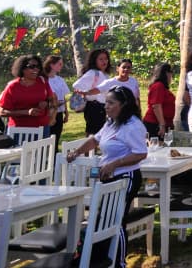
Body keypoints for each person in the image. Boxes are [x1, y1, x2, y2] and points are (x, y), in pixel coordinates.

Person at [66, 86, 147, 268]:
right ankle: (100, 258)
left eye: (111, 103)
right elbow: (95, 139)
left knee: (117, 220)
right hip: (109, 178)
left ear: (123, 105)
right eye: (106, 102)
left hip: (126, 177)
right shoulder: (112, 122)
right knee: (105, 219)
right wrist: (77, 152)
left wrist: (115, 164)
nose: (106, 106)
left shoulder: (133, 126)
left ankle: (120, 263)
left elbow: (141, 153)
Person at [0, 54, 54, 140]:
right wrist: (26, 112)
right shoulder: (12, 86)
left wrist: (46, 103)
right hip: (18, 130)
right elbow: (2, 112)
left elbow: (52, 100)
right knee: (17, 150)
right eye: (32, 66)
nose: (36, 69)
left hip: (42, 128)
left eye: (38, 66)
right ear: (22, 68)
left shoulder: (43, 82)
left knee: (41, 149)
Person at [72, 48, 112, 135]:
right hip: (94, 107)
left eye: (106, 59)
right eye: (101, 59)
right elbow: (77, 85)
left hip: (104, 107)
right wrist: (88, 94)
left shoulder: (105, 75)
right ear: (95, 60)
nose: (104, 61)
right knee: (93, 134)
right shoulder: (93, 73)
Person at [143, 62, 176, 140]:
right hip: (155, 124)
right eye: (170, 72)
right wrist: (162, 124)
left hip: (163, 123)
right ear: (166, 73)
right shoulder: (158, 86)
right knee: (156, 145)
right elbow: (156, 105)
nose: (171, 75)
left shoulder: (162, 87)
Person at [44, 55, 69, 150]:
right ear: (51, 65)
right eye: (59, 64)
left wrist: (66, 113)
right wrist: (53, 103)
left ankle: (54, 157)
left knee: (56, 138)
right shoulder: (44, 79)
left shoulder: (60, 80)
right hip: (48, 113)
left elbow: (63, 97)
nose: (61, 66)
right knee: (47, 139)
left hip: (59, 113)